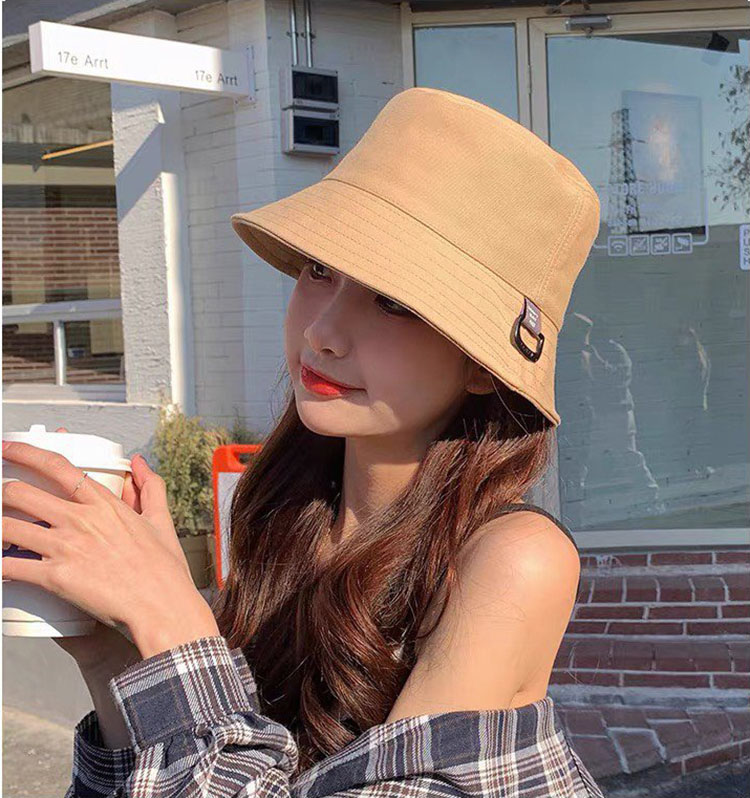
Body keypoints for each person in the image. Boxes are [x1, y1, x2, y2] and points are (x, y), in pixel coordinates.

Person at [3, 87, 604, 797]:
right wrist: (111, 649)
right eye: (320, 271)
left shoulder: (512, 558)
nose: (322, 331)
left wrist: (172, 624)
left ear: (482, 366)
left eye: (393, 302)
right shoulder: (289, 513)